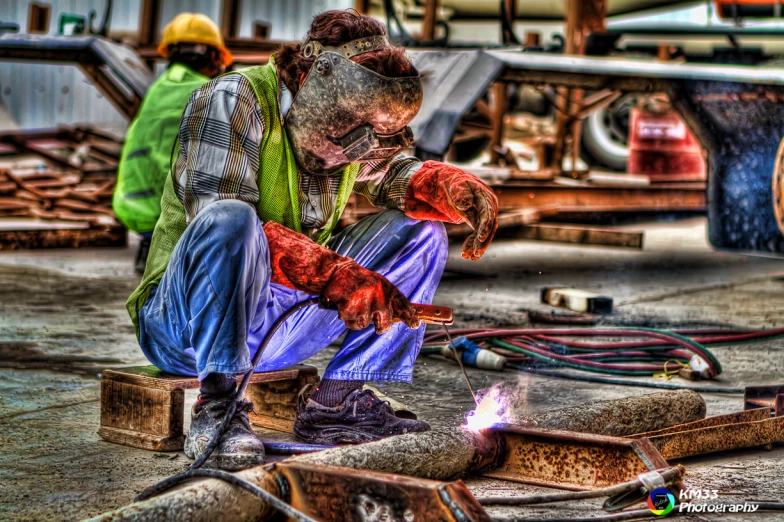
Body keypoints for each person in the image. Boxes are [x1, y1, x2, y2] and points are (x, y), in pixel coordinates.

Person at [125, 10, 499, 470]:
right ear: (309, 78)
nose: (357, 148)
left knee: (420, 230)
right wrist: (333, 273)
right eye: (349, 132)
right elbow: (217, 221)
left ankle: (335, 404)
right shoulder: (231, 98)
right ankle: (218, 406)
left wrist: (441, 183)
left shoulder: (346, 120)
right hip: (184, 329)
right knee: (231, 219)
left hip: (279, 327)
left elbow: (388, 170)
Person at [112, 13, 230, 274]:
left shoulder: (157, 89)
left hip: (132, 209)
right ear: (213, 56)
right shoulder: (210, 91)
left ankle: (150, 248)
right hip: (175, 219)